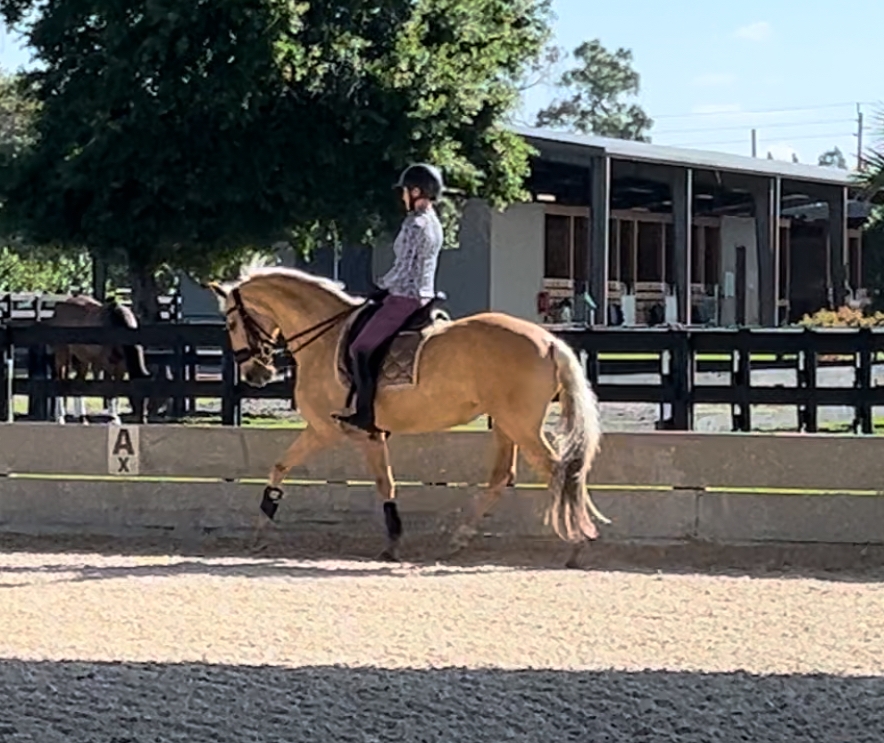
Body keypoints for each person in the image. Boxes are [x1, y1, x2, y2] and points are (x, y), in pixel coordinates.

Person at [332, 163, 445, 433]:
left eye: (405, 191)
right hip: (424, 294)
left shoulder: (414, 224)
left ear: (416, 192)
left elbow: (404, 267)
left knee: (359, 348)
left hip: (404, 298)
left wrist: (381, 286)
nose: (402, 196)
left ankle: (365, 414)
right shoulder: (433, 221)